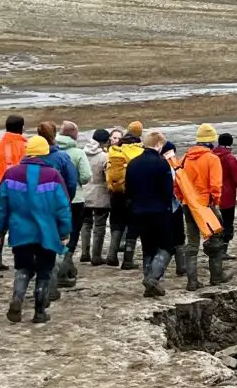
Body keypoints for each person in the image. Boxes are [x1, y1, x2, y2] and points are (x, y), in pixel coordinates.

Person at [0, 134, 71, 324]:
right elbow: (63, 207)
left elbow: (1, 205)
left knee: (23, 268)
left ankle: (17, 299)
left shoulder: (11, 174)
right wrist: (64, 232)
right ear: (45, 152)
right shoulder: (53, 175)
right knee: (44, 271)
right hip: (47, 233)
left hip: (20, 231)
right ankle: (39, 312)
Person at [124, 130, 180, 297]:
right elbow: (168, 190)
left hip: (138, 211)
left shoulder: (133, 163)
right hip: (159, 211)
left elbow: (129, 189)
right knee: (167, 246)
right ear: (158, 144)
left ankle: (149, 283)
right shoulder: (161, 163)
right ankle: (153, 278)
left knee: (148, 247)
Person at [182, 125, 226, 287]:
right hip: (205, 205)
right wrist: (215, 201)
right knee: (215, 239)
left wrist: (183, 199)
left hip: (189, 205)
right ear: (212, 140)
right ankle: (216, 277)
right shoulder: (212, 159)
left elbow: (178, 182)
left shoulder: (185, 158)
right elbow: (216, 185)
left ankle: (192, 281)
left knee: (192, 242)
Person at [51, 122, 92, 289]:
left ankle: (63, 268)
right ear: (74, 134)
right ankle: (63, 270)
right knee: (72, 234)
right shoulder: (77, 153)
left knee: (57, 233)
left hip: (53, 198)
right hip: (75, 199)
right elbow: (85, 176)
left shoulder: (51, 151)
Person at [0, 114, 29, 271]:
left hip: (1, 191)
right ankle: (20, 257)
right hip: (22, 193)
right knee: (21, 225)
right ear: (22, 128)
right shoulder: (26, 146)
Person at [104, 122, 143, 269]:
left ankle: (111, 256)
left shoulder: (114, 151)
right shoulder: (136, 151)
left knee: (116, 224)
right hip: (131, 194)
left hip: (115, 193)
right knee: (132, 226)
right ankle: (128, 260)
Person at [75, 127, 112, 264]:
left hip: (84, 193)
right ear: (104, 142)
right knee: (100, 225)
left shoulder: (81, 153)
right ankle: (96, 256)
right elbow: (107, 176)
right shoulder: (104, 156)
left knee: (85, 224)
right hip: (100, 194)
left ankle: (85, 253)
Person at [216, 132, 237, 255]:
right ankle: (223, 251)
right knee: (227, 223)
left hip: (212, 196)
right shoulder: (229, 158)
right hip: (227, 197)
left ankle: (216, 249)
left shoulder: (211, 155)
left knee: (216, 223)